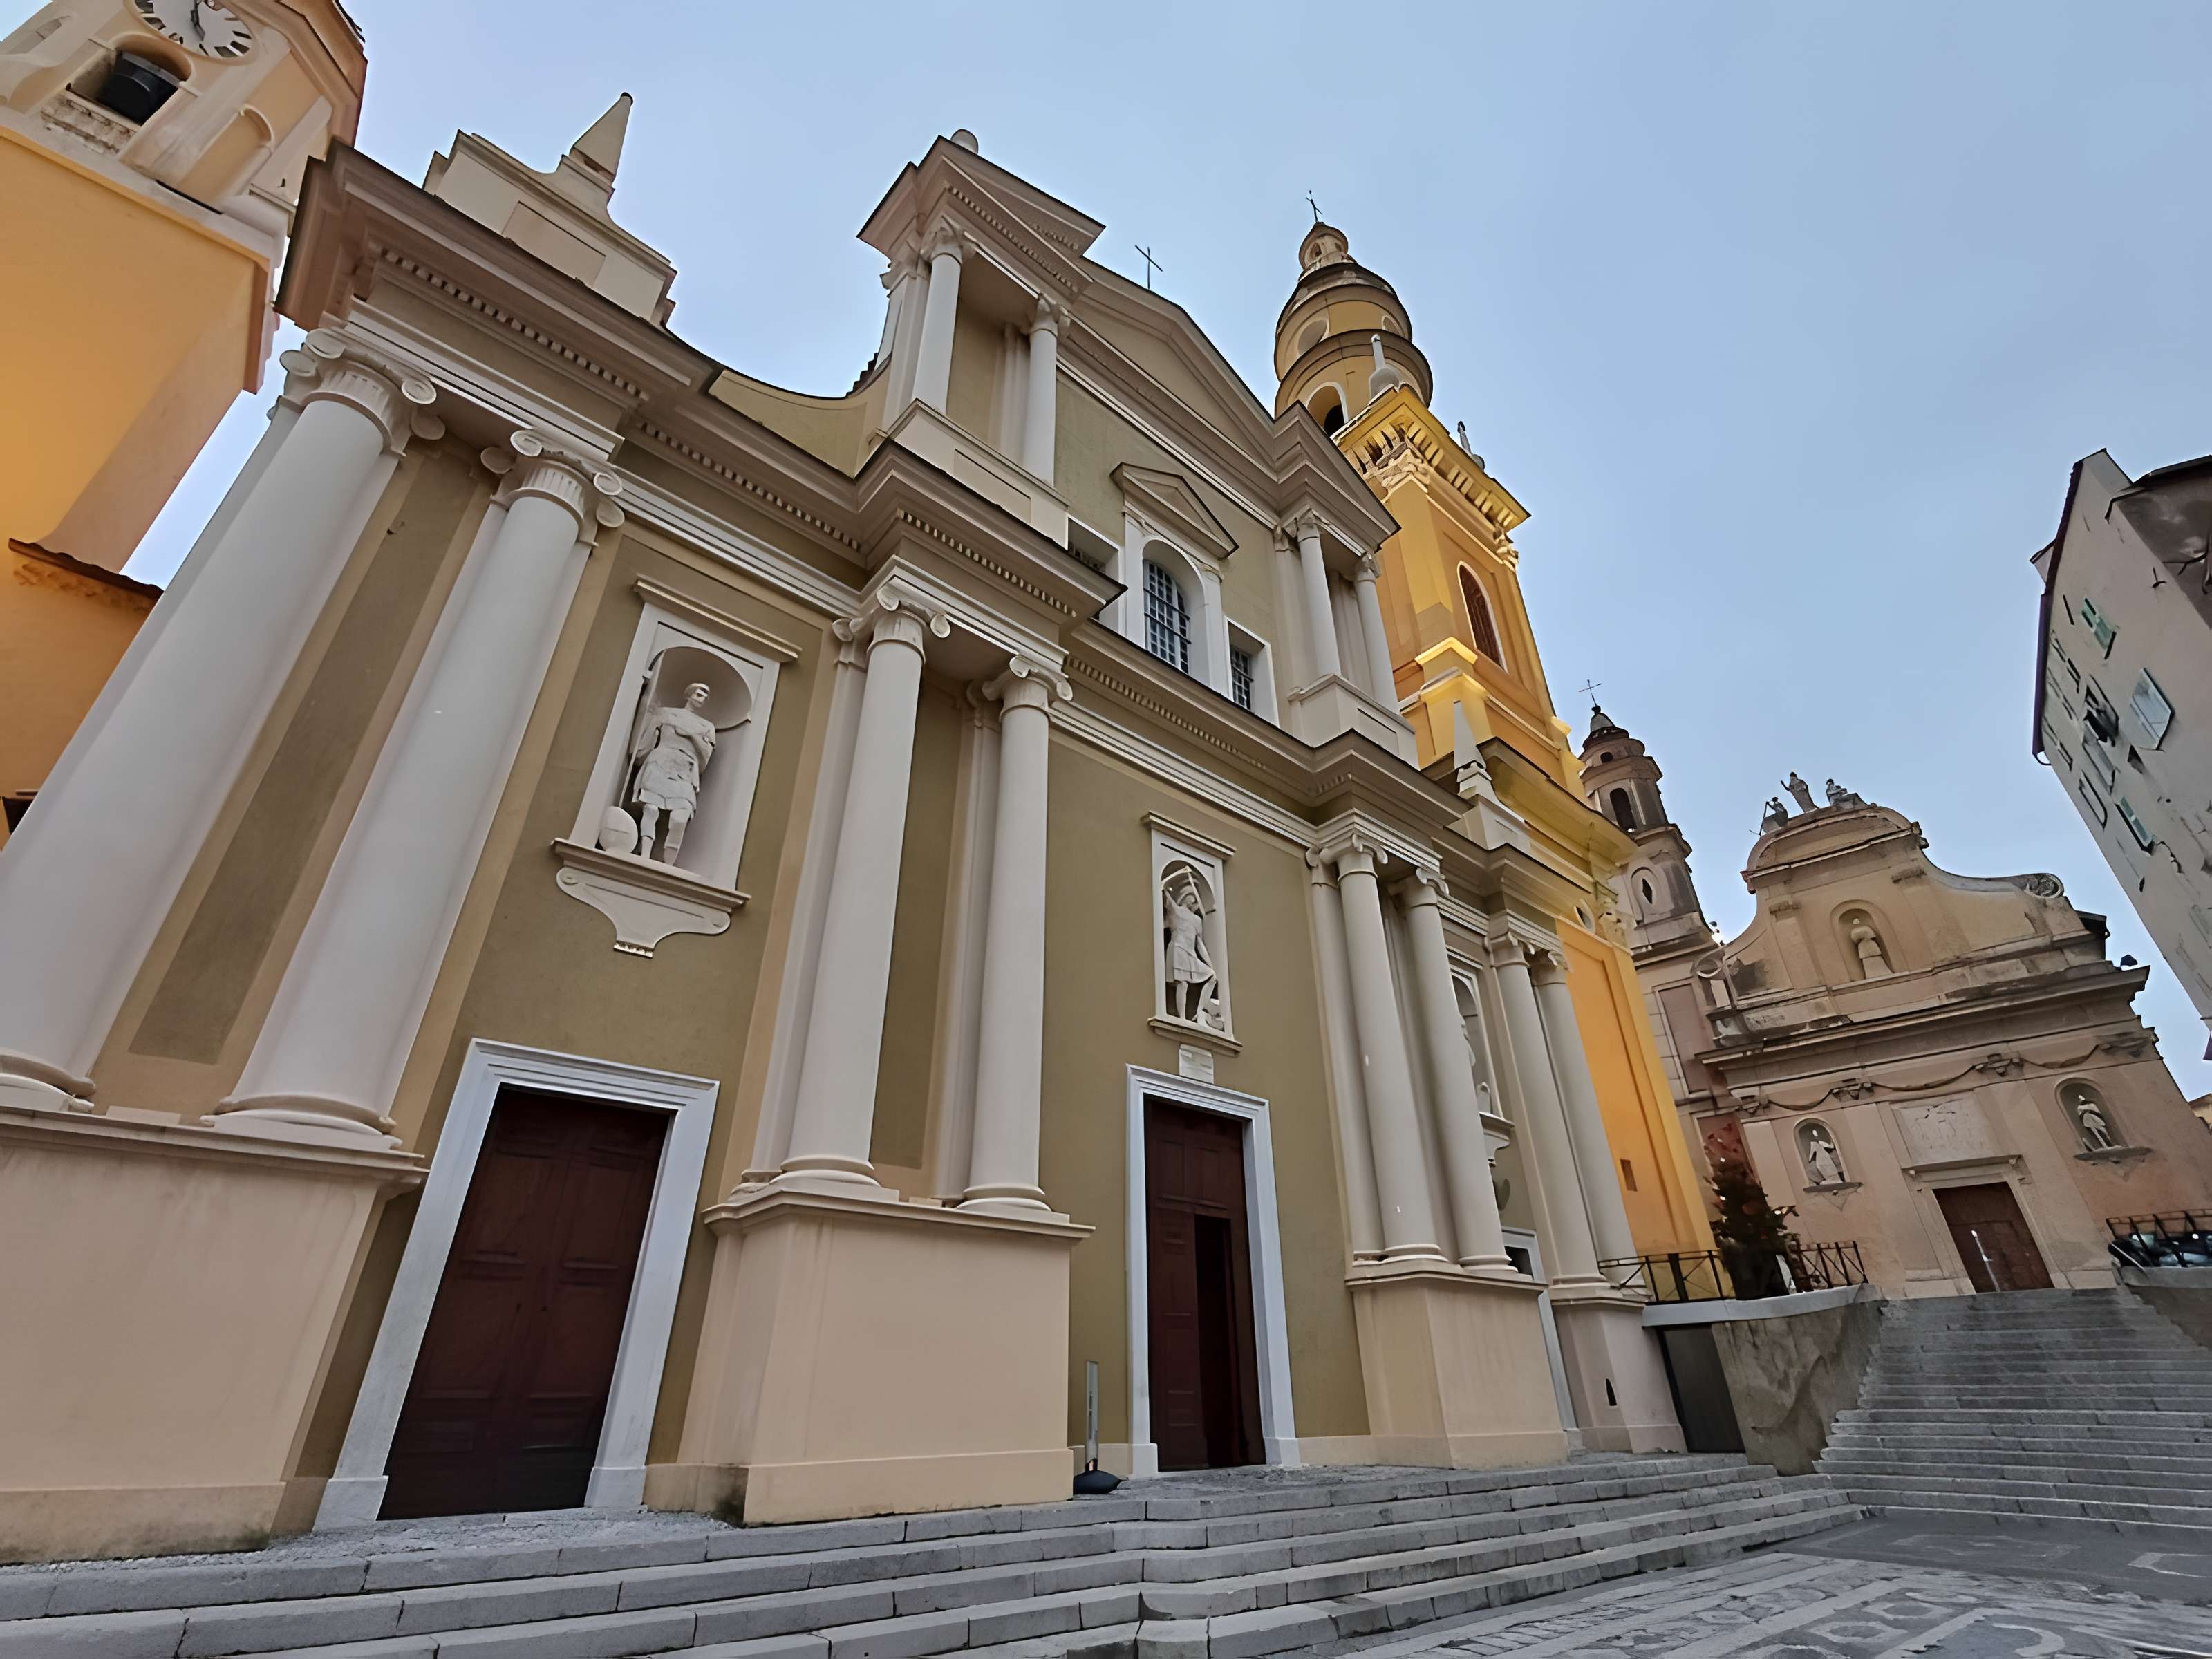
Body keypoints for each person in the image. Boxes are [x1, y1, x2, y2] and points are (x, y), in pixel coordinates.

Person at [630, 681, 718, 861]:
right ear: (689, 695)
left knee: (681, 817)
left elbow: (704, 761)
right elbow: (644, 742)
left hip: (686, 769)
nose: (702, 699)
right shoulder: (666, 713)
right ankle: (645, 856)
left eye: (706, 697)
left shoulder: (707, 726)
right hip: (660, 761)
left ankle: (668, 865)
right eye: (699, 694)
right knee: (651, 809)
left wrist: (692, 736)